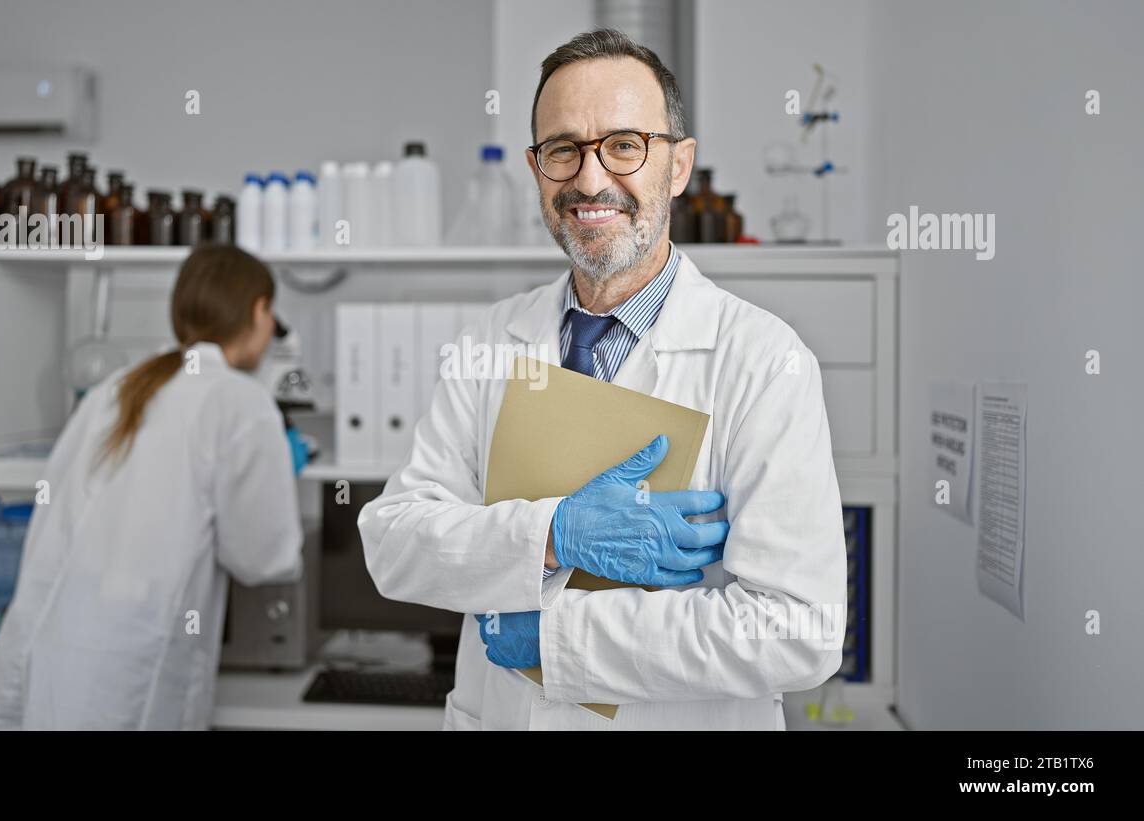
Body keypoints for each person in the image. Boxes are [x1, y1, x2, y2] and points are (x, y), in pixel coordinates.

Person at [358, 29, 846, 730]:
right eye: (563, 149)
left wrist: (560, 641)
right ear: (536, 168)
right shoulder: (488, 342)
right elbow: (394, 541)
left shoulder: (765, 360)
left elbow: (800, 628)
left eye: (624, 145)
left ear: (679, 166)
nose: (589, 181)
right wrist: (554, 532)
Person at [0, 245, 303, 730]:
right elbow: (263, 558)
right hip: (130, 679)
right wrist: (276, 469)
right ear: (258, 310)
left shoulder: (115, 389)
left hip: (50, 661)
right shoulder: (240, 402)